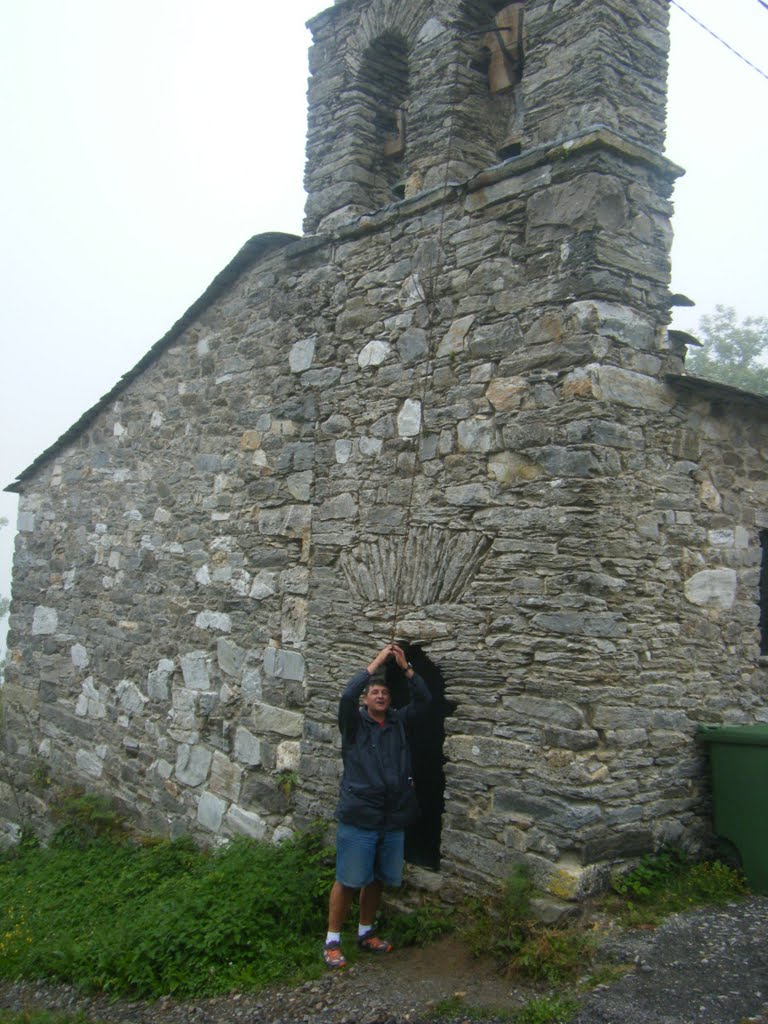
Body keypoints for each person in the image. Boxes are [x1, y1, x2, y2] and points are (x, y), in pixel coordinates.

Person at [323, 642, 431, 968]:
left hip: (391, 816)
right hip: (360, 814)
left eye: (384, 692)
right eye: (374, 692)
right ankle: (332, 941)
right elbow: (345, 696)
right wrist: (376, 663)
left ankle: (366, 933)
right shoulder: (354, 725)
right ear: (366, 699)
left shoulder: (398, 722)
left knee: (376, 879)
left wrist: (407, 668)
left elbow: (426, 702)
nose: (380, 696)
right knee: (348, 878)